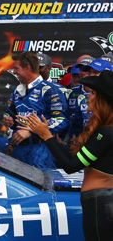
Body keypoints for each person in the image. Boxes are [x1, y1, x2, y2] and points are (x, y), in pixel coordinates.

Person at [22, 71, 113, 241]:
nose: (88, 97)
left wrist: (46, 136)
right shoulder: (104, 131)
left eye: (92, 93)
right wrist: (44, 132)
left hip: (101, 203)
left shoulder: (105, 133)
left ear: (102, 100)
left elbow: (71, 166)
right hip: (97, 202)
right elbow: (73, 158)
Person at [3, 51, 68, 168]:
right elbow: (11, 112)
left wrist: (32, 130)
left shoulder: (49, 90)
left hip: (41, 149)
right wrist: (9, 120)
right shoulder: (17, 90)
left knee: (39, 185)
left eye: (16, 68)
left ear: (27, 68)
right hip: (19, 149)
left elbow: (61, 120)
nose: (14, 72)